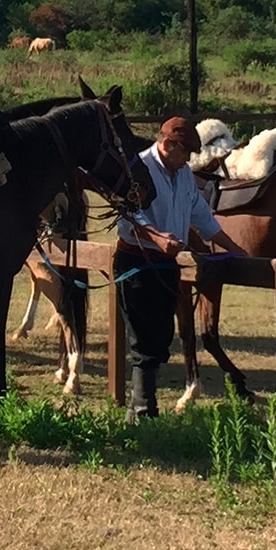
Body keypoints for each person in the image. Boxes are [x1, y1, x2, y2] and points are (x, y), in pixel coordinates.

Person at [114, 115, 247, 422]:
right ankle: (144, 412)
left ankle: (139, 413)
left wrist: (235, 250)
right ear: (168, 144)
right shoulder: (139, 168)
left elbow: (203, 218)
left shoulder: (183, 174)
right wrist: (158, 238)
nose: (188, 158)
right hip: (137, 262)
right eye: (184, 151)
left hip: (166, 264)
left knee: (160, 337)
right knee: (143, 338)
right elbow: (128, 215)